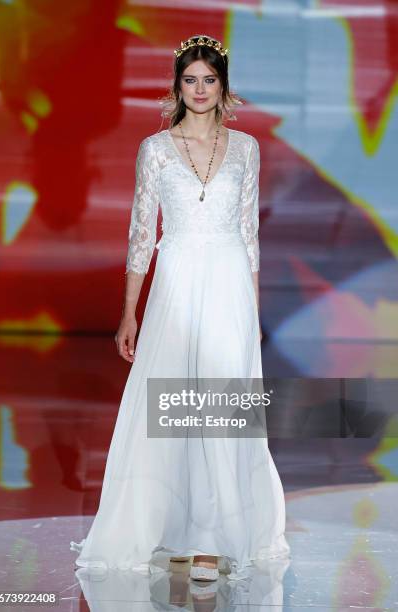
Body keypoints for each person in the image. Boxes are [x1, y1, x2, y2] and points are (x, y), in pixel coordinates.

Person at [70, 34, 290, 583]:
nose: (198, 89)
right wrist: (129, 312)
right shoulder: (156, 149)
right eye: (189, 79)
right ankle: (164, 527)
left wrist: (253, 313)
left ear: (223, 87)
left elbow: (250, 235)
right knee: (166, 403)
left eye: (208, 80)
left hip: (229, 281)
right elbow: (142, 235)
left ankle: (213, 538)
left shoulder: (246, 149)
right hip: (175, 280)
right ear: (177, 86)